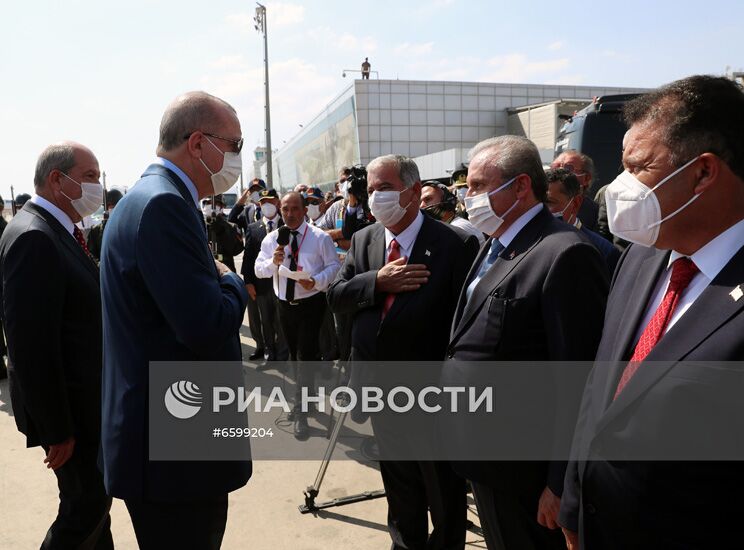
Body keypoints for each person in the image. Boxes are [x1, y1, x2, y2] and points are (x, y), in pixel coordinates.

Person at [560, 75, 744, 550]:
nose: (616, 188)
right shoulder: (640, 258)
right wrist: (575, 504)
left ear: (704, 173)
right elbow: (601, 387)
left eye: (638, 167)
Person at [100, 91, 250, 549]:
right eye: (235, 145)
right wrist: (233, 282)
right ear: (199, 144)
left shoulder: (152, 199)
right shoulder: (163, 205)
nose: (237, 158)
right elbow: (205, 326)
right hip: (176, 455)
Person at [443, 136, 609, 550]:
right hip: (486, 457)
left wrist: (560, 484)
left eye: (479, 185)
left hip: (526, 475)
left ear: (520, 186)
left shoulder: (564, 253)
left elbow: (578, 380)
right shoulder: (494, 244)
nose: (468, 196)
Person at [328, 154, 478, 550]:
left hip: (432, 392)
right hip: (380, 388)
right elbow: (336, 297)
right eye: (372, 189)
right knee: (400, 485)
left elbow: (465, 323)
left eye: (386, 188)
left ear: (414, 192)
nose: (376, 197)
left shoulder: (455, 244)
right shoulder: (365, 239)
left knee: (443, 490)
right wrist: (376, 281)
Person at [0, 142, 113, 548]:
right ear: (56, 180)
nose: (97, 187)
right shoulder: (36, 237)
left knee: (95, 507)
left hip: (82, 405)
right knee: (84, 509)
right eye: (89, 177)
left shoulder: (55, 230)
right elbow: (31, 346)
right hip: (71, 416)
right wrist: (58, 428)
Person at [255, 191, 340, 439]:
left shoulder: (319, 238)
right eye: (285, 210)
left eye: (295, 209)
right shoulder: (273, 240)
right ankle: (308, 397)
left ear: (305, 210)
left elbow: (334, 266)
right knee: (294, 355)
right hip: (284, 304)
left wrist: (317, 281)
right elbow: (259, 269)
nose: (290, 214)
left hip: (311, 304)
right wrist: (273, 262)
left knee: (306, 354)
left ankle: (301, 411)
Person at [545, 168, 620, 275]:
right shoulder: (527, 240)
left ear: (575, 203)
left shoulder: (603, 251)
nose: (541, 209)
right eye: (537, 203)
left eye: (549, 202)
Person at [242, 188, 287, 364]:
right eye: (263, 202)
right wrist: (248, 281)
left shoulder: (287, 225)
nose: (267, 205)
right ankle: (269, 350)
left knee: (281, 319)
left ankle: (283, 353)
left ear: (277, 202)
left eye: (270, 201)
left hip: (283, 282)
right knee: (265, 319)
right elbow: (248, 257)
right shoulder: (253, 228)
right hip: (261, 284)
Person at [420, 180, 485, 245]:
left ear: (447, 200)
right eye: (420, 202)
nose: (421, 205)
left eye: (428, 199)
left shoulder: (459, 227)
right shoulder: (446, 227)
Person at [551, 150, 601, 233]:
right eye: (555, 167)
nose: (558, 172)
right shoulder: (538, 204)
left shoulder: (596, 215)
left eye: (568, 168)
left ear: (586, 178)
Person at [202, 194, 243, 273]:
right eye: (208, 203)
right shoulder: (199, 225)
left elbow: (236, 250)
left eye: (215, 203)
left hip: (226, 271)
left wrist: (222, 232)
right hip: (205, 271)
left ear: (221, 207)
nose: (211, 206)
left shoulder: (231, 226)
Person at [87, 188, 123, 261]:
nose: (114, 208)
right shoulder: (95, 231)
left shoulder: (127, 227)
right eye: (110, 205)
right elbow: (91, 256)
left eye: (116, 205)